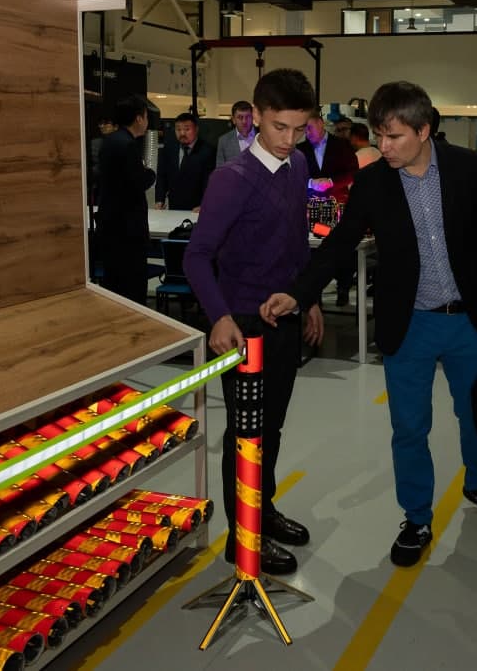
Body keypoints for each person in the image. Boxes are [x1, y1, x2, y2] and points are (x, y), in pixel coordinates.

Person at [260, 80, 477, 568]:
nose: (384, 146)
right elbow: (340, 242)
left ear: (424, 131)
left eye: (394, 136)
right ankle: (417, 517)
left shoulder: (466, 169)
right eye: (379, 134)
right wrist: (299, 293)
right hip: (410, 323)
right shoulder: (375, 181)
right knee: (409, 427)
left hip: (469, 320)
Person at [183, 70, 324, 575]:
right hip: (242, 326)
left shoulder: (298, 164)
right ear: (256, 116)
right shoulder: (232, 179)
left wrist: (308, 298)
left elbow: (297, 242)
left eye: (299, 129)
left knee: (273, 425)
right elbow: (196, 257)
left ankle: (262, 510)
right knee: (247, 433)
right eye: (280, 127)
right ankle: (242, 537)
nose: (289, 139)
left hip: (284, 316)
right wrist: (219, 316)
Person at [96, 96, 156, 305]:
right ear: (139, 118)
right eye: (146, 116)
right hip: (128, 229)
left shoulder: (109, 142)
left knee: (114, 286)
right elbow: (137, 182)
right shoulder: (128, 145)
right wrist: (150, 174)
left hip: (110, 224)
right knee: (132, 287)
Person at [155, 112, 215, 212]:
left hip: (198, 208)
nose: (182, 133)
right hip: (174, 206)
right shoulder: (168, 148)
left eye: (187, 129)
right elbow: (162, 176)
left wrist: (205, 204)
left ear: (196, 129)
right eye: (178, 129)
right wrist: (159, 200)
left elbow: (209, 182)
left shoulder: (208, 151)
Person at [299, 111, 359, 203]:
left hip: (338, 202)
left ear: (320, 123)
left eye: (309, 128)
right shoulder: (299, 150)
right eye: (304, 130)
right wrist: (310, 183)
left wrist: (331, 182)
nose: (307, 133)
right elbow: (293, 176)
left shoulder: (343, 145)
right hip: (309, 205)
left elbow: (353, 172)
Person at [215, 100, 257, 167]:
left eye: (248, 117)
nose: (244, 121)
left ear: (253, 117)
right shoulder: (224, 141)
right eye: (240, 117)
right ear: (233, 120)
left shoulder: (263, 136)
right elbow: (220, 169)